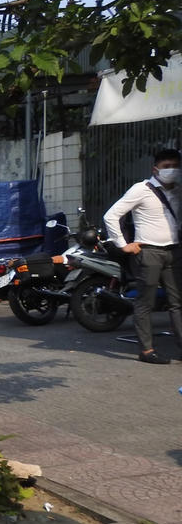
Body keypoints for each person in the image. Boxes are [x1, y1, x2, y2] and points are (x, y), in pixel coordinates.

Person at [103, 147, 182, 364]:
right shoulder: (141, 189)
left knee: (177, 303)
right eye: (167, 167)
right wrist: (123, 245)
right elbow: (111, 215)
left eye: (176, 166)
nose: (172, 170)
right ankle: (146, 350)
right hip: (149, 252)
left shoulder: (177, 190)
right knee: (145, 302)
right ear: (155, 169)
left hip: (173, 252)